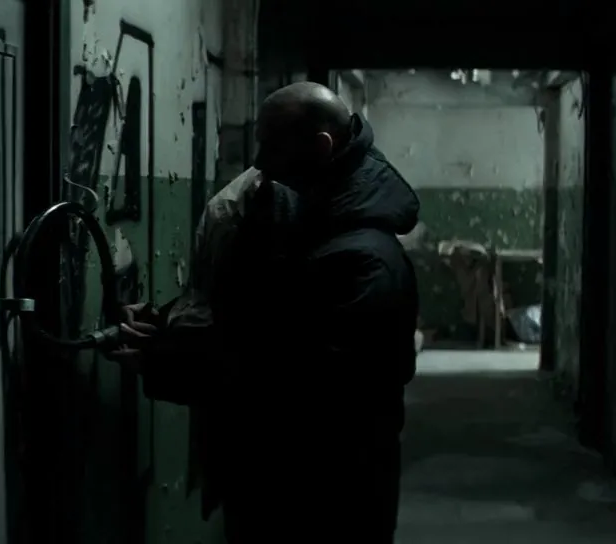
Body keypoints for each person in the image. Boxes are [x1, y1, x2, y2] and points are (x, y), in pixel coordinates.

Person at [108, 81, 420, 543]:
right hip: (293, 486)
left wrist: (169, 362)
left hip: (327, 498)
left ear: (321, 147)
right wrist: (170, 325)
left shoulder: (362, 261)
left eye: (272, 145)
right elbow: (264, 317)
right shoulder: (316, 221)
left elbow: (296, 386)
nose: (260, 160)